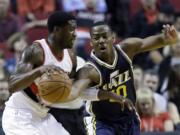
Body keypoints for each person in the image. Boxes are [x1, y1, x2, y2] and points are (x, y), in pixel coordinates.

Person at [2, 11, 131, 135]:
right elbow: (12, 85)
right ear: (57, 30)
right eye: (71, 29)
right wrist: (38, 71)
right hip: (19, 114)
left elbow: (78, 91)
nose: (75, 34)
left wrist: (110, 95)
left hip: (43, 116)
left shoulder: (71, 58)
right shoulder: (36, 51)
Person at [74, 21, 179, 135]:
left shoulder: (126, 49)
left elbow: (154, 41)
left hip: (128, 118)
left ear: (113, 38)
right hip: (102, 122)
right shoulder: (89, 70)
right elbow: (80, 93)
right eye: (96, 38)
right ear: (91, 43)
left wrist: (169, 39)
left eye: (105, 36)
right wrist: (109, 95)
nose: (101, 41)